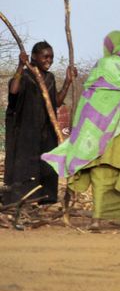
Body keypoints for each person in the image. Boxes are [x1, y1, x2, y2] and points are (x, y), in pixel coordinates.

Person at [42, 31, 120, 231]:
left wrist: (80, 128)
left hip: (97, 128)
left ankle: (96, 220)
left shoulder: (101, 65)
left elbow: (88, 98)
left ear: (109, 46)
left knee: (99, 172)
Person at [3, 41, 77, 206]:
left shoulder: (49, 78)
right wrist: (20, 66)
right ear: (34, 57)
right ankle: (21, 202)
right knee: (24, 169)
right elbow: (13, 91)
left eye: (51, 57)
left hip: (46, 133)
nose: (49, 60)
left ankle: (45, 201)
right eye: (45, 56)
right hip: (25, 133)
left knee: (48, 167)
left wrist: (68, 81)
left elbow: (55, 102)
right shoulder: (25, 76)